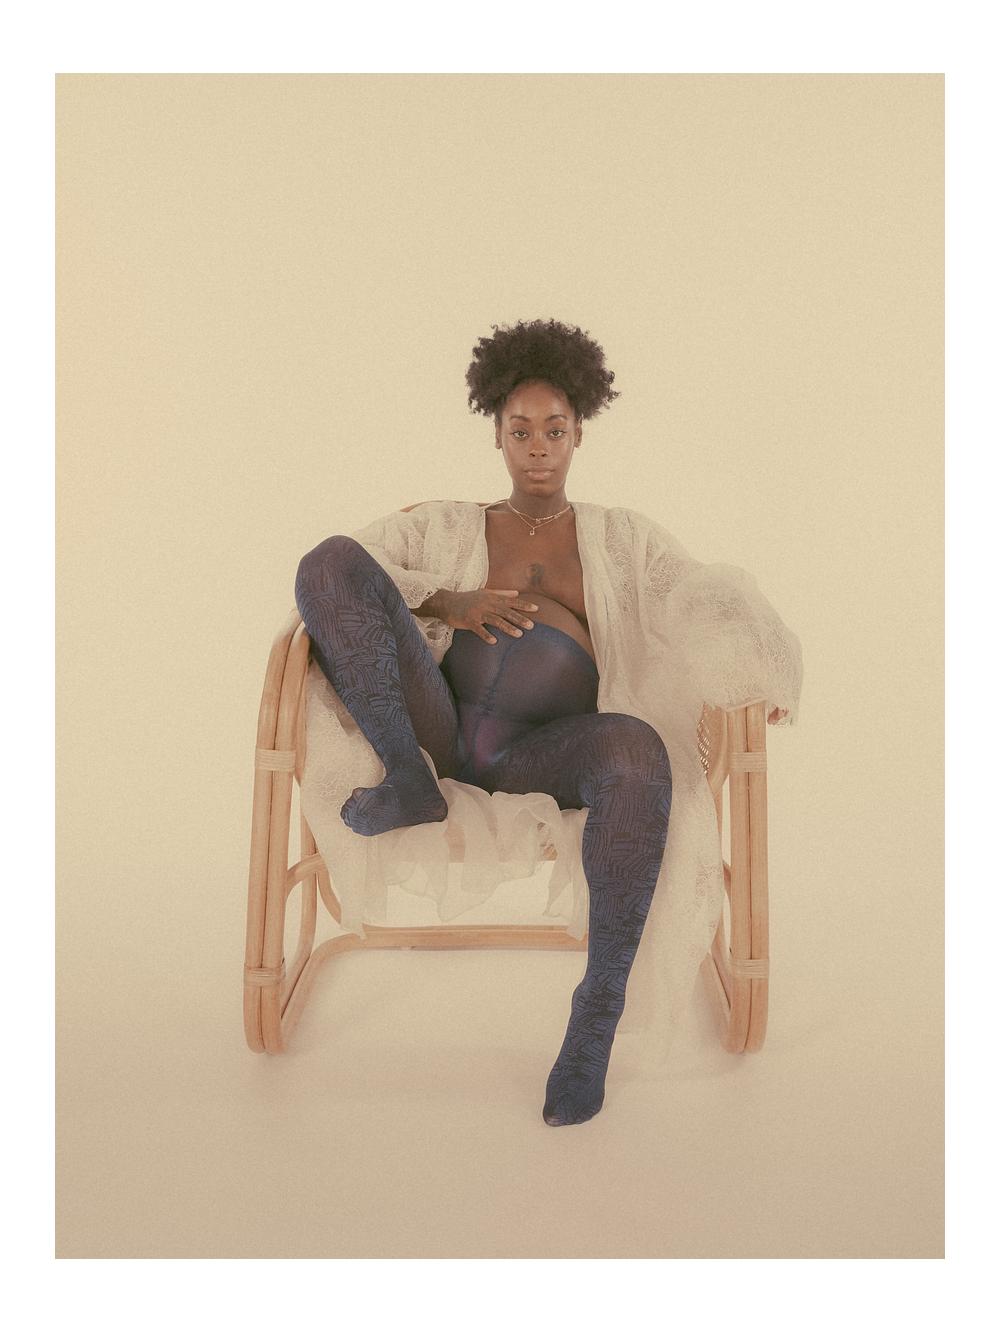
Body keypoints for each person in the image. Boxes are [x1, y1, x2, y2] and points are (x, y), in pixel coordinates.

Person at [294, 317, 799, 1127]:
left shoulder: (621, 538)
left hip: (542, 751)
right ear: (496, 434)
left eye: (554, 430)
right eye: (520, 430)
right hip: (437, 730)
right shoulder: (447, 524)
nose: (537, 448)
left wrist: (756, 661)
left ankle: (596, 1014)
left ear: (578, 435)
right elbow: (357, 570)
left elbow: (700, 590)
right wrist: (449, 600)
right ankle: (410, 780)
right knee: (324, 559)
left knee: (637, 749)